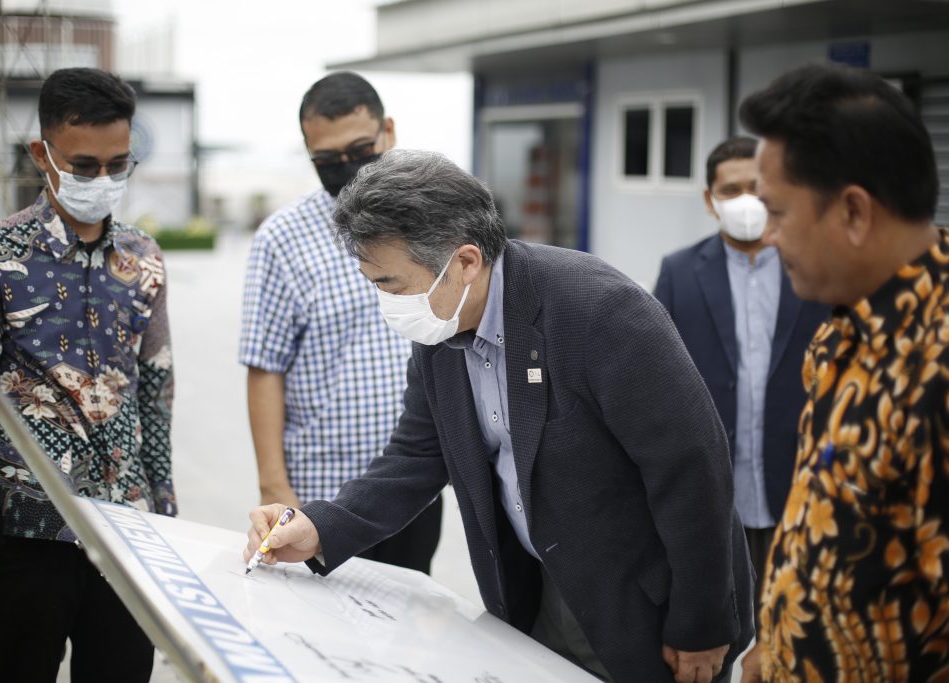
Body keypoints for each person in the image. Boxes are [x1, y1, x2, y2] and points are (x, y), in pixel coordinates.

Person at [243, 149, 755, 683]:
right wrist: (320, 527)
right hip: (535, 589)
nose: (385, 302)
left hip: (643, 606)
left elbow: (693, 469)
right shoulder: (440, 328)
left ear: (465, 262)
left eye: (391, 285)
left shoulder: (599, 311)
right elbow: (417, 455)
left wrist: (702, 623)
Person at [0, 67, 173, 682]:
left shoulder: (143, 258)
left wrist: (166, 512)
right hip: (26, 529)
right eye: (84, 166)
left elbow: (156, 390)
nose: (103, 179)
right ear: (43, 153)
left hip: (127, 530)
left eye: (118, 164)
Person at [737, 63, 949, 681]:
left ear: (854, 211)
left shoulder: (936, 369)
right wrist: (777, 643)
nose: (767, 237)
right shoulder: (843, 330)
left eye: (777, 213)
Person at [239, 72, 442, 575]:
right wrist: (275, 488)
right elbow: (265, 368)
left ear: (387, 132)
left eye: (360, 150)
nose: (347, 167)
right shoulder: (283, 239)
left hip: (411, 489)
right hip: (322, 493)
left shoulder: (431, 222)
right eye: (327, 160)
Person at [653, 136, 830, 619]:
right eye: (731, 190)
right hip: (713, 497)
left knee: (797, 626)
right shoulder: (679, 272)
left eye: (756, 187)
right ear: (710, 200)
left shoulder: (817, 267)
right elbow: (659, 380)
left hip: (802, 489)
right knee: (719, 628)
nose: (745, 200)